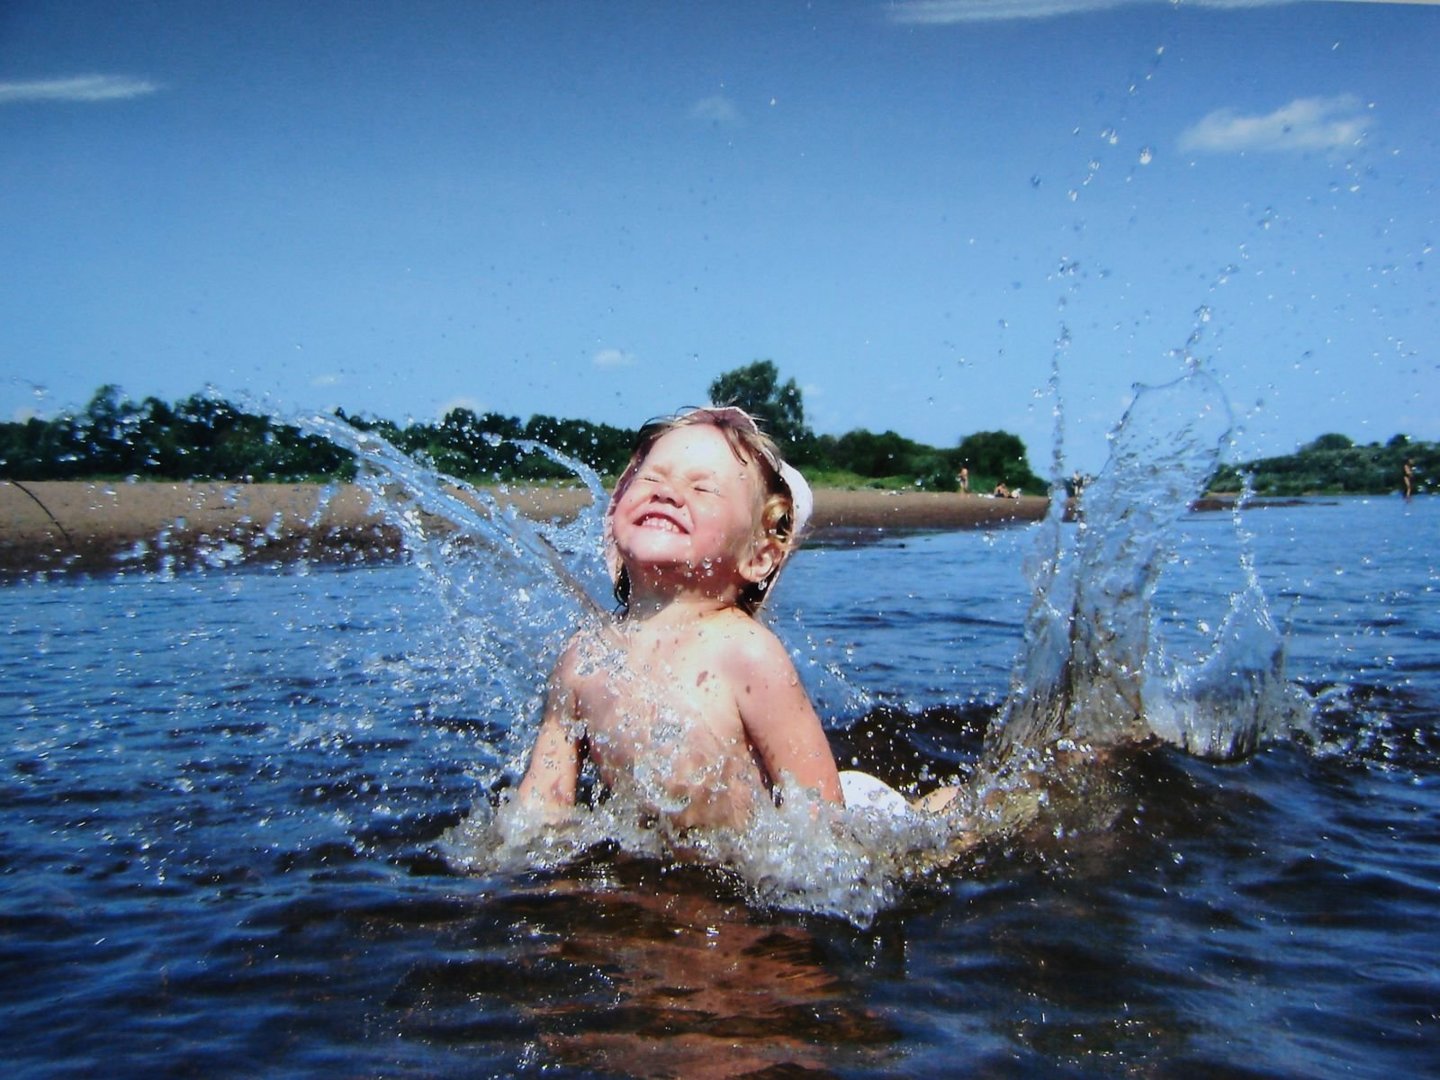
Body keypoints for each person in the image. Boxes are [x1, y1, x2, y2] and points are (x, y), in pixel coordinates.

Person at [515, 406, 954, 837]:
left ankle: (941, 814)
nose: (666, 493)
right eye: (651, 478)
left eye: (703, 489)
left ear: (759, 553)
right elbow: (544, 802)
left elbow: (823, 819)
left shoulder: (746, 654)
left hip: (799, 824)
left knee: (930, 838)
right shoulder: (583, 656)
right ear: (614, 516)